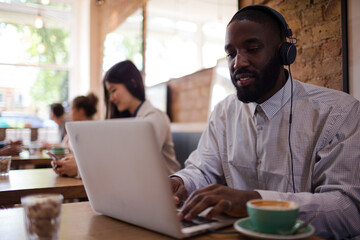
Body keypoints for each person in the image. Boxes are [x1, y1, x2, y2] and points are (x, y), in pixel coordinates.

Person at [170, 5, 360, 239]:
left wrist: (254, 201)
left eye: (252, 49)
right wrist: (181, 182)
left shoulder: (338, 112)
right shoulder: (223, 112)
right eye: (231, 53)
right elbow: (202, 170)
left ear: (284, 53)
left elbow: (347, 210)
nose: (238, 63)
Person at [104, 60, 180, 174]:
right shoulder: (130, 119)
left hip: (166, 188)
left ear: (132, 83)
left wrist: (83, 169)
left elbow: (135, 161)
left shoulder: (155, 117)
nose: (111, 98)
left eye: (113, 90)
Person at [51, 93, 98, 177]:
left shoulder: (91, 130)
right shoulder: (74, 128)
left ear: (80, 111)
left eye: (71, 109)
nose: (69, 113)